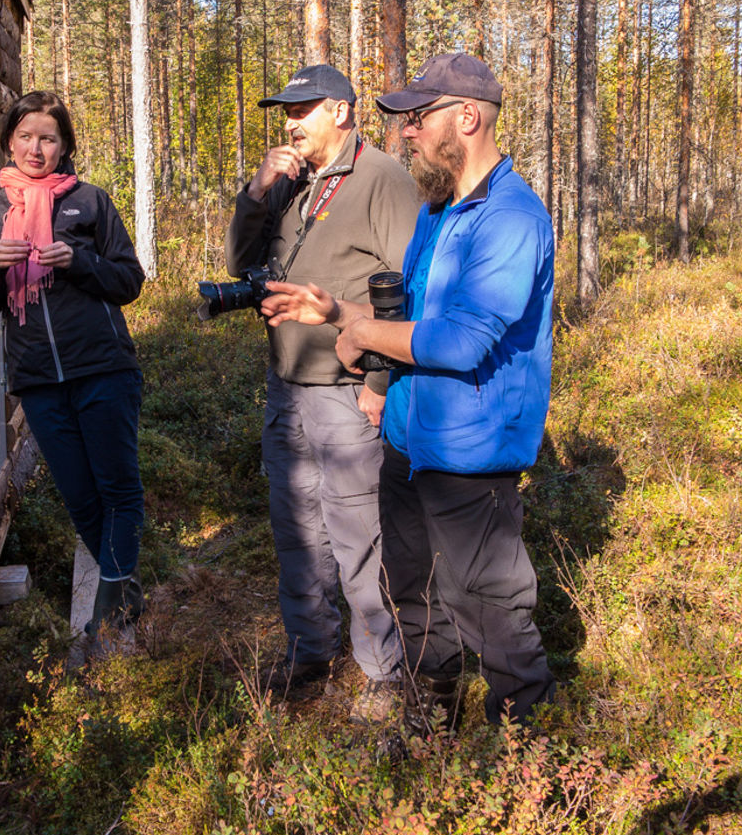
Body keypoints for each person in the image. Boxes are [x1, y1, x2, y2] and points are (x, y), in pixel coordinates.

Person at [261, 53, 556, 727]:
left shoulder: (510, 216)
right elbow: (401, 310)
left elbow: (461, 341)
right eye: (406, 121)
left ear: (469, 116)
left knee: (491, 607)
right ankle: (431, 724)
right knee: (417, 595)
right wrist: (344, 320)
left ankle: (532, 766)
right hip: (407, 443)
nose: (407, 133)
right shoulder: (437, 209)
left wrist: (358, 330)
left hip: (472, 455)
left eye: (420, 118)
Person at [225, 64, 419, 723]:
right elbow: (239, 260)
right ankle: (310, 653)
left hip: (348, 394)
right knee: (298, 535)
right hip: (288, 393)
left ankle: (383, 671)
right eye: (284, 108)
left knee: (359, 539)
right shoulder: (292, 184)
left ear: (341, 110)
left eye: (302, 108)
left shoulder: (384, 178)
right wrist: (257, 192)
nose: (289, 120)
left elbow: (409, 291)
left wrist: (379, 380)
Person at [0, 91, 146, 649]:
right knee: (80, 498)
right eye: (25, 136)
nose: (36, 148)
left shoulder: (89, 201)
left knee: (118, 490)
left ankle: (108, 615)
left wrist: (81, 262)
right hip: (38, 380)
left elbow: (129, 281)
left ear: (64, 145)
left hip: (102, 369)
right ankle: (124, 588)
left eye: (48, 137)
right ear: (9, 142)